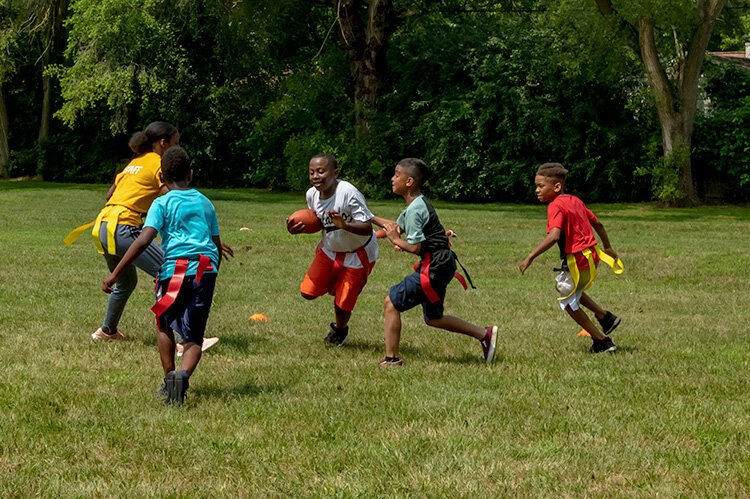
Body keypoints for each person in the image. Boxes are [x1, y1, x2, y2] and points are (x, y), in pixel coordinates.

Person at [103, 146, 233, 405]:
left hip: (175, 271)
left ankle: (168, 380)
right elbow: (215, 242)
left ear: (161, 176)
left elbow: (142, 240)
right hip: (206, 270)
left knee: (164, 323)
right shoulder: (205, 202)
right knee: (194, 336)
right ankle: (183, 377)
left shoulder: (161, 203)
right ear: (191, 174)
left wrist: (116, 273)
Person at [87, 121, 219, 353]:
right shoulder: (159, 163)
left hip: (103, 226)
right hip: (125, 228)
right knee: (174, 273)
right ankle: (185, 339)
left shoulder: (134, 163)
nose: (177, 148)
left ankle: (107, 331)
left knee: (126, 282)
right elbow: (175, 195)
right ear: (163, 143)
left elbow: (110, 194)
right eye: (175, 143)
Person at [373, 158, 497, 366]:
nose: (392, 178)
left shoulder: (414, 210)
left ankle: (391, 359)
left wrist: (396, 240)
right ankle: (483, 334)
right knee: (433, 318)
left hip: (434, 266)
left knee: (391, 302)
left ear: (409, 181)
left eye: (396, 174)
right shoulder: (416, 204)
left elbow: (414, 247)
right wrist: (359, 226)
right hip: (441, 263)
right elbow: (394, 228)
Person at [518, 162, 622, 353]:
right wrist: (607, 247)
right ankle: (605, 316)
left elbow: (554, 236)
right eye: (536, 186)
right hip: (591, 256)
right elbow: (598, 224)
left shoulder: (555, 206)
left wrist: (530, 257)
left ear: (557, 187)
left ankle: (601, 341)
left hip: (578, 259)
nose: (537, 190)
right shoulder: (575, 200)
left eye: (541, 186)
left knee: (566, 301)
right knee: (569, 288)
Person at [286, 154, 379, 346]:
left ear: (335, 172)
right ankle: (336, 283)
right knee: (308, 292)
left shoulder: (348, 193)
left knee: (343, 302)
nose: (315, 176)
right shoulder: (311, 194)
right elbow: (318, 221)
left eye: (321, 171)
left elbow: (367, 226)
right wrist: (297, 228)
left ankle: (340, 330)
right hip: (330, 249)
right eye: (312, 172)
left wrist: (344, 225)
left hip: (358, 252)